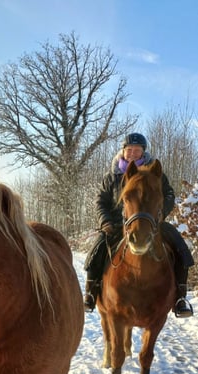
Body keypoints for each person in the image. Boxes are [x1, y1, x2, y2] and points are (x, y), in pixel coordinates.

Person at [83, 132, 194, 318]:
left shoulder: (156, 174)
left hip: (151, 223)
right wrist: (105, 221)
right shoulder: (111, 177)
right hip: (117, 225)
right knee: (97, 250)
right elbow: (101, 201)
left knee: (179, 247)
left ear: (143, 152)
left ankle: (180, 298)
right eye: (129, 150)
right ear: (123, 151)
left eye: (137, 150)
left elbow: (168, 195)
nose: (133, 154)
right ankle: (91, 292)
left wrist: (160, 214)